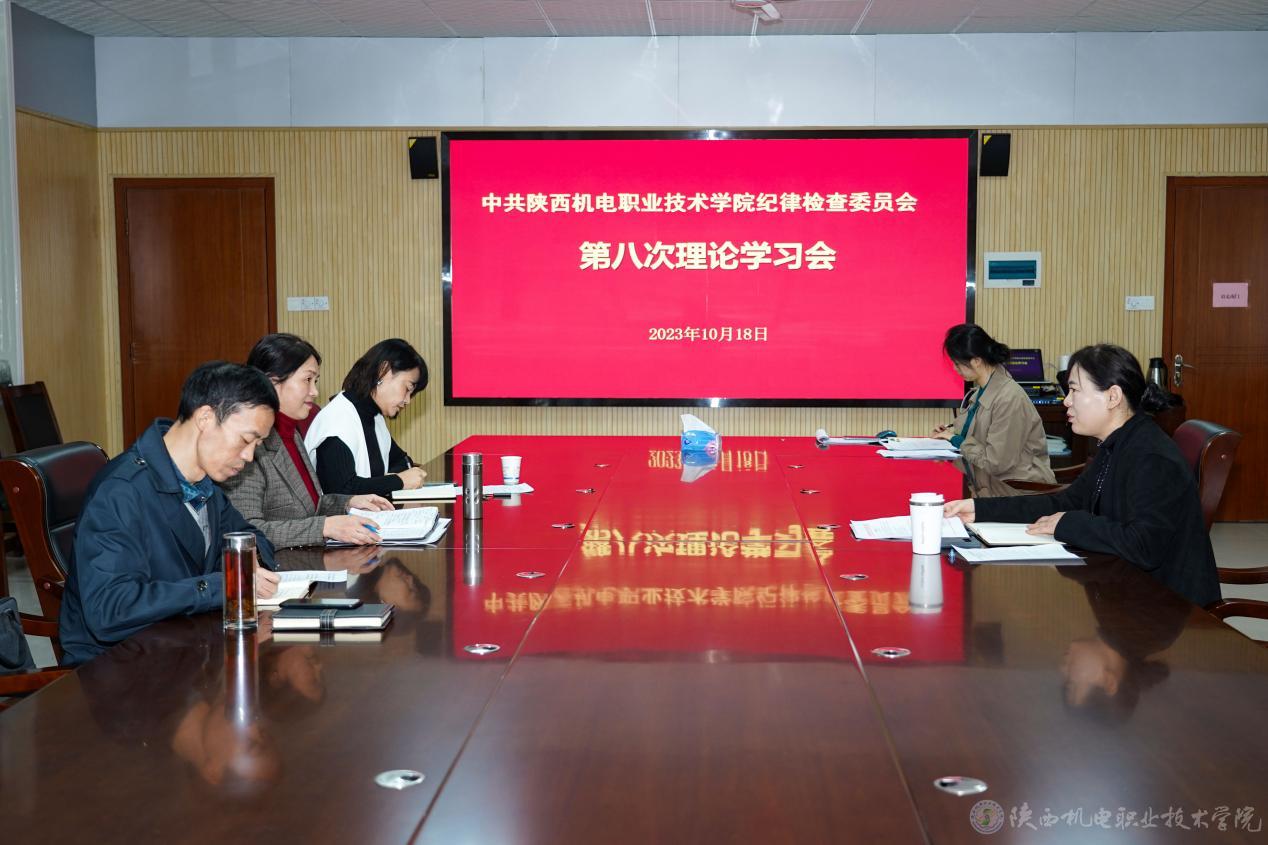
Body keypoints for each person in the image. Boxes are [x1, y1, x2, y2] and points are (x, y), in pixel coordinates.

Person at [945, 344, 1220, 607]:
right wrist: (980, 508)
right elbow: (1064, 502)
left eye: (1074, 390)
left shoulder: (1151, 457)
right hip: (1126, 589)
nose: (1066, 401)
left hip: (1169, 608)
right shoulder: (1117, 443)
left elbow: (1144, 546)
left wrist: (1069, 523)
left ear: (1113, 397)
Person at [60, 362, 282, 665]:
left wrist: (246, 564)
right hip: (120, 669)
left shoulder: (204, 484)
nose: (249, 456)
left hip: (183, 651)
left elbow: (251, 537)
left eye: (257, 445)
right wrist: (224, 584)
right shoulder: (121, 491)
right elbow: (110, 609)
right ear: (205, 417)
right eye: (246, 440)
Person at [222, 333, 393, 548]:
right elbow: (246, 532)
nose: (315, 391)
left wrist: (349, 502)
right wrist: (324, 528)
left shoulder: (291, 432)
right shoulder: (247, 446)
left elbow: (309, 506)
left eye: (315, 381)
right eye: (307, 380)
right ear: (272, 382)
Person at [932, 324, 1055, 495]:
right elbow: (976, 448)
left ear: (976, 361)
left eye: (957, 363)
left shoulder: (1009, 398)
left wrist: (955, 440)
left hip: (1017, 495)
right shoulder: (980, 393)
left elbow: (995, 463)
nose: (955, 368)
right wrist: (947, 441)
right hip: (992, 491)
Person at [305, 338, 428, 497]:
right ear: (383, 371)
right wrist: (398, 481)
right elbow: (341, 491)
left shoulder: (373, 415)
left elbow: (402, 461)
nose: (407, 400)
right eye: (407, 388)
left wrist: (393, 479)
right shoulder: (337, 420)